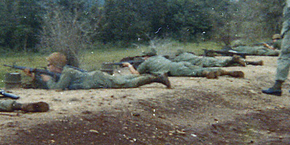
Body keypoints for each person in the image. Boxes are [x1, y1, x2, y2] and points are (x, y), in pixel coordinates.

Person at [27, 52, 172, 90]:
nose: (47, 67)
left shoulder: (67, 73)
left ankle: (157, 79)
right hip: (98, 78)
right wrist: (34, 78)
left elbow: (57, 88)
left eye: (49, 64)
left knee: (129, 83)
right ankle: (156, 77)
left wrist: (48, 80)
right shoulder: (65, 72)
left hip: (99, 79)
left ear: (56, 65)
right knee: (128, 80)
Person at [130, 54, 245, 79]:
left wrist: (129, 66)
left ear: (146, 57)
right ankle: (227, 72)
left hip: (174, 69)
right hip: (179, 64)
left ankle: (207, 73)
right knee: (198, 68)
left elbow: (136, 74)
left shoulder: (147, 62)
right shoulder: (160, 57)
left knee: (196, 73)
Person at [168, 50, 247, 67]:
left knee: (219, 63)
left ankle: (233, 60)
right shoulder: (187, 54)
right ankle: (235, 61)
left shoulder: (179, 58)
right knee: (218, 62)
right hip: (202, 59)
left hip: (202, 62)